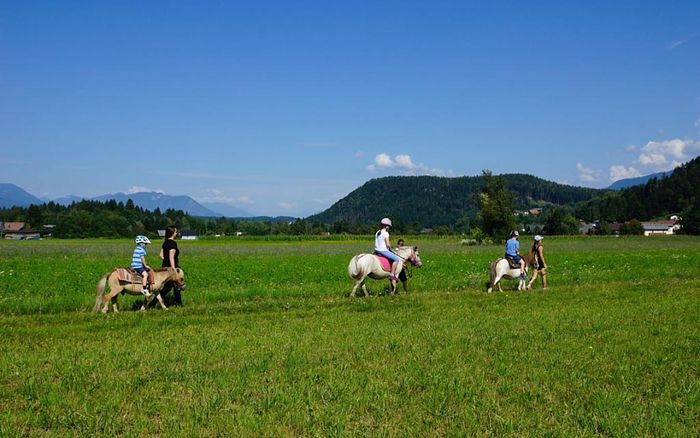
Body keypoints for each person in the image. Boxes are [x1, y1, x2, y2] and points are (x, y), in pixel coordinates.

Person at [159, 225, 182, 305]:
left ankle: (178, 303)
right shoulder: (173, 244)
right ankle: (153, 302)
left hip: (164, 267)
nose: (176, 233)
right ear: (172, 233)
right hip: (171, 268)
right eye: (175, 231)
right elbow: (171, 257)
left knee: (174, 286)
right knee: (170, 287)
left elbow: (161, 255)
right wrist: (174, 269)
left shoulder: (165, 242)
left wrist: (165, 261)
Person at [374, 217, 401, 283]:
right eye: (388, 226)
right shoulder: (386, 233)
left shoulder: (378, 232)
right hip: (383, 250)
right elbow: (388, 245)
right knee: (396, 259)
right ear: (386, 226)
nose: (389, 228)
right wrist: (392, 247)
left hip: (376, 250)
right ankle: (392, 274)